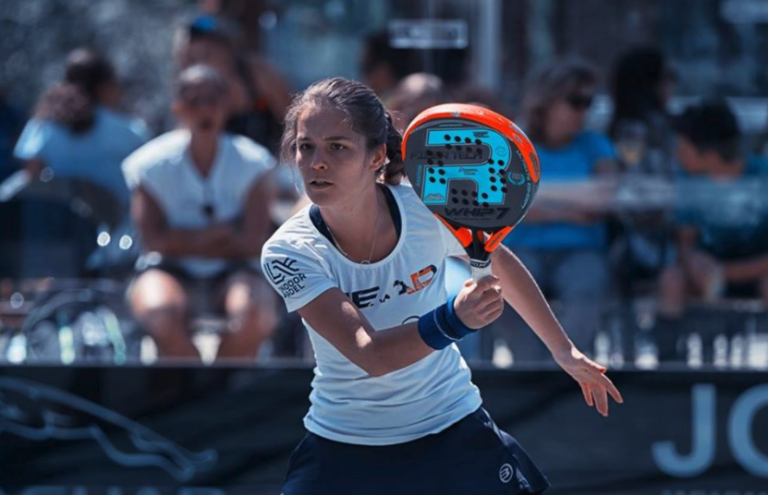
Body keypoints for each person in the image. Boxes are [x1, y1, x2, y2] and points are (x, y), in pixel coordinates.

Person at [261, 77, 622, 494]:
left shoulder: (426, 210)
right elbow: (370, 353)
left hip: (450, 425)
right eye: (306, 146)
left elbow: (499, 260)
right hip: (344, 445)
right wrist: (454, 319)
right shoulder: (287, 251)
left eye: (337, 146)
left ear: (377, 156)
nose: (316, 162)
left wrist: (564, 349)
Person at [123, 65, 277, 362]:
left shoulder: (254, 162)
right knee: (159, 312)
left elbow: (255, 240)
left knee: (254, 315)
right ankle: (195, 383)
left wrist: (184, 240)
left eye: (213, 100)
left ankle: (221, 387)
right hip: (169, 268)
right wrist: (218, 236)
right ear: (178, 107)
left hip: (236, 271)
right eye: (195, 101)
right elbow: (153, 241)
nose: (205, 110)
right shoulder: (150, 164)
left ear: (226, 105)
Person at [495, 60, 618, 364]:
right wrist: (573, 209)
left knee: (587, 285)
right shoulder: (515, 140)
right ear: (547, 101)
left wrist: (538, 199)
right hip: (521, 249)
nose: (584, 112)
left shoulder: (595, 144)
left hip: (581, 250)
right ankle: (529, 377)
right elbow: (502, 203)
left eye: (589, 103)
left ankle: (568, 374)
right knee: (508, 289)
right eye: (576, 102)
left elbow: (604, 197)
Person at [655, 100, 768, 362]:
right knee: (671, 280)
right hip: (705, 274)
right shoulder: (688, 180)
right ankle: (669, 370)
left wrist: (724, 274)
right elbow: (685, 241)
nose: (678, 155)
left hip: (756, 271)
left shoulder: (761, 178)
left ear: (709, 155)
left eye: (683, 148)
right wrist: (693, 262)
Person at [14, 48, 149, 208]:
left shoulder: (42, 126)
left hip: (56, 227)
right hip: (119, 230)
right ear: (103, 87)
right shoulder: (130, 131)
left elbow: (31, 178)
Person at [173, 13, 291, 153]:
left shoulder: (258, 74)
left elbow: (293, 119)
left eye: (206, 54)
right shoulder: (194, 92)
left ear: (227, 49)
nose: (202, 64)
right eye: (193, 59)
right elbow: (188, 139)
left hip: (275, 162)